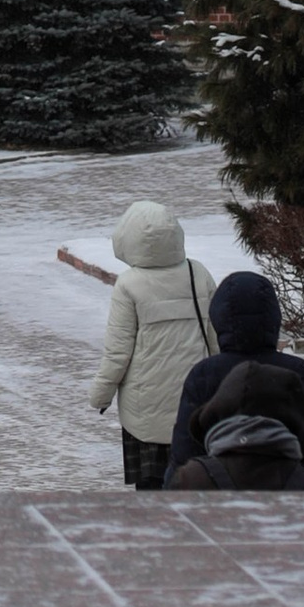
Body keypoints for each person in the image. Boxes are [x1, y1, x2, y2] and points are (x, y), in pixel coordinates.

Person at [87, 197, 222, 487]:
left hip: (145, 413)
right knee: (195, 483)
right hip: (195, 406)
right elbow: (215, 339)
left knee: (152, 488)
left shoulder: (128, 284)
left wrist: (100, 395)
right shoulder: (197, 273)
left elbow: (118, 352)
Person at [166, 269, 304, 487]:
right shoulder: (297, 370)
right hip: (290, 491)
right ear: (273, 317)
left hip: (216, 495)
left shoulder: (204, 373)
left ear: (219, 318)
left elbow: (184, 451)